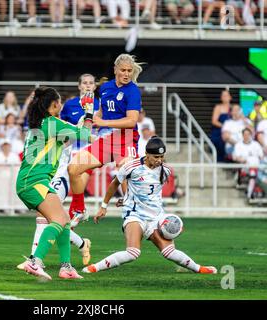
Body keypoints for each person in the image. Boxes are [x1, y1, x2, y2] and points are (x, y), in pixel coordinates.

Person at [83, 136, 217, 275]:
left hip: (156, 217)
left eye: (162, 157)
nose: (159, 160)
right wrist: (104, 206)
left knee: (169, 252)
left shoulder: (165, 171)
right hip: (135, 215)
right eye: (156, 157)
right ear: (147, 154)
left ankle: (199, 268)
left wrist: (127, 198)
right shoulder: (131, 167)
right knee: (133, 253)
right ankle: (94, 268)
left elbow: (151, 192)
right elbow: (115, 184)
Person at [16, 86, 94, 281]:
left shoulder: (42, 123)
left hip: (32, 180)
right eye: (59, 102)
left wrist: (81, 121)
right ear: (53, 105)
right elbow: (85, 136)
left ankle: (66, 267)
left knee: (64, 220)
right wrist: (90, 113)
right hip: (34, 181)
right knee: (58, 220)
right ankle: (35, 262)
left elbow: (67, 139)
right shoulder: (52, 122)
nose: (61, 105)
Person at [67, 53, 142, 222]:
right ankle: (79, 209)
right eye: (123, 70)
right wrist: (91, 119)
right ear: (115, 69)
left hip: (127, 139)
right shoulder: (106, 88)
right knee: (73, 168)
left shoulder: (133, 91)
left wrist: (103, 121)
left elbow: (131, 121)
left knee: (126, 176)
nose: (127, 74)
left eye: (129, 71)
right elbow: (101, 113)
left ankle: (135, 216)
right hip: (108, 139)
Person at [233, 128, 263, 199]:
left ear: (251, 135)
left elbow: (261, 156)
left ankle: (253, 192)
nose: (246, 136)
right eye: (245, 134)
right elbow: (236, 158)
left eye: (248, 134)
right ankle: (249, 194)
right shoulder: (238, 145)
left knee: (255, 169)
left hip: (257, 167)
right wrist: (244, 160)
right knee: (252, 172)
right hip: (244, 167)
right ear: (242, 135)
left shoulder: (256, 144)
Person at [210, 90, 232, 162]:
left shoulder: (233, 108)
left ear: (230, 97)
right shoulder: (218, 107)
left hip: (231, 131)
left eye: (226, 95)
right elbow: (214, 121)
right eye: (223, 96)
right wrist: (225, 127)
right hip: (219, 131)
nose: (224, 97)